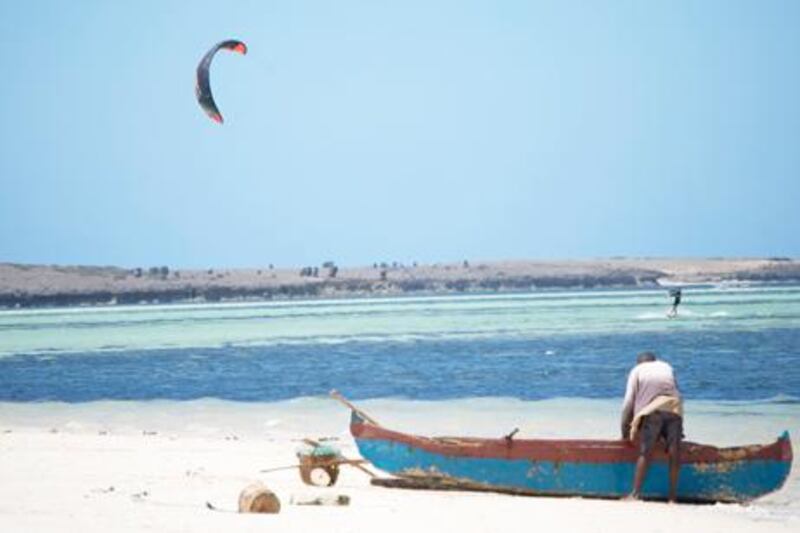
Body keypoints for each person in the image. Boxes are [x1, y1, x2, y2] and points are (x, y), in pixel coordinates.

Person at [620, 351, 683, 502]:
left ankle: (635, 494)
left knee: (645, 452)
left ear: (640, 362)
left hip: (652, 413)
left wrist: (625, 432)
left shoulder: (637, 370)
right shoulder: (666, 366)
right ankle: (672, 497)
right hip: (674, 408)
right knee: (674, 452)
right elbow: (676, 391)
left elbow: (628, 403)